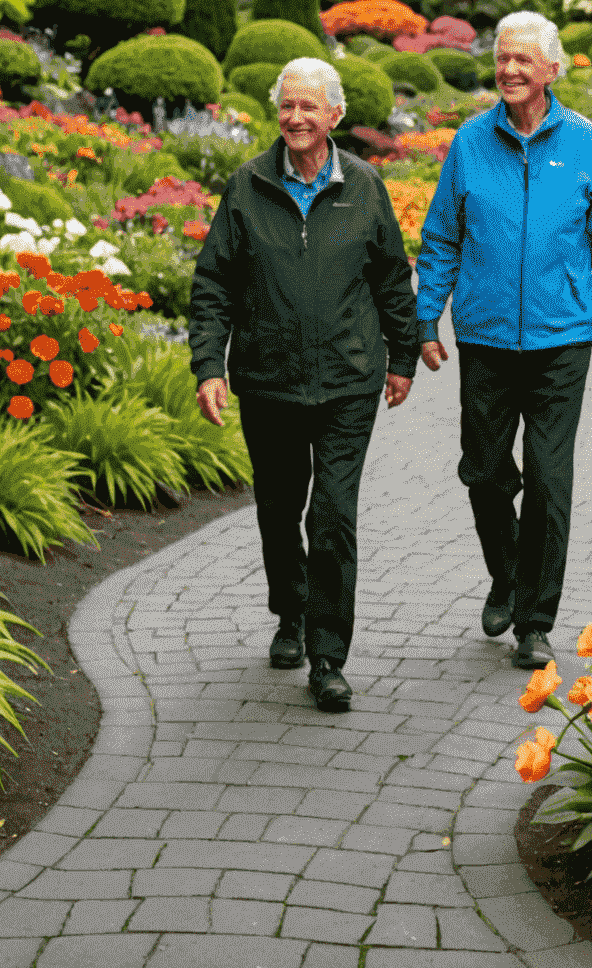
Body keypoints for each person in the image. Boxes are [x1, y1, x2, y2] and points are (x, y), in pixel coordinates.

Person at [189, 56, 419, 714]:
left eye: (308, 106)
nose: (295, 116)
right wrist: (209, 365)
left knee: (332, 518)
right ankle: (288, 614)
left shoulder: (366, 188)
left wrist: (402, 357)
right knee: (278, 511)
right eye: (287, 105)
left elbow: (390, 281)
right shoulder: (247, 185)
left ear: (335, 116)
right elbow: (214, 286)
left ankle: (327, 656)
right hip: (268, 383)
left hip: (348, 379)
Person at [414, 11, 592, 671]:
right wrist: (427, 319)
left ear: (552, 70)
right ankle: (506, 572)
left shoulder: (586, 143)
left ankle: (535, 622)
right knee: (483, 472)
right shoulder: (469, 143)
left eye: (522, 60)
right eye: (501, 59)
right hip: (483, 337)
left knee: (548, 479)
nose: (508, 70)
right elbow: (442, 236)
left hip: (561, 338)